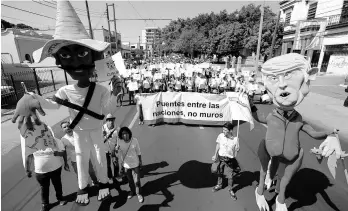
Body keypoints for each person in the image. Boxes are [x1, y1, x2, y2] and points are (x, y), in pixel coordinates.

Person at [11, 0, 123, 205]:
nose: (76, 62)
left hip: (97, 129)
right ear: (60, 61)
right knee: (81, 157)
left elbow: (107, 110)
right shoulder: (64, 90)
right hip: (79, 131)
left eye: (82, 54)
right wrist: (32, 98)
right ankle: (83, 187)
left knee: (99, 156)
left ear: (94, 58)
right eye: (66, 55)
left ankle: (104, 183)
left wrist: (115, 93)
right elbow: (53, 107)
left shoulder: (100, 89)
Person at [20, 118, 68, 211]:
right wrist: (27, 170)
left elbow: (63, 152)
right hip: (40, 172)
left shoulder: (55, 140)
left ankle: (60, 198)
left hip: (56, 168)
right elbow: (29, 156)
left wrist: (58, 153)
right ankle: (45, 204)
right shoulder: (31, 142)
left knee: (57, 184)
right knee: (44, 188)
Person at [60, 121, 98, 185]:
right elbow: (64, 152)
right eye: (64, 127)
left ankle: (95, 181)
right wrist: (65, 163)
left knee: (91, 171)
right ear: (62, 129)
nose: (67, 128)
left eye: (68, 125)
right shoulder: (63, 139)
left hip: (85, 157)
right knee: (80, 175)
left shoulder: (78, 133)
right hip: (75, 161)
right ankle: (85, 186)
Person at [211, 122, 240, 200]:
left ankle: (230, 190)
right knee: (219, 172)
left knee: (230, 177)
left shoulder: (235, 139)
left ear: (230, 130)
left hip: (230, 161)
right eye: (223, 129)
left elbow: (236, 151)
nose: (223, 131)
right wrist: (215, 155)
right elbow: (218, 145)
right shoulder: (221, 136)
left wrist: (237, 149)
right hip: (221, 158)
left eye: (225, 130)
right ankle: (219, 185)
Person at [115, 127, 144, 203]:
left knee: (137, 181)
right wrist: (116, 149)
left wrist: (140, 161)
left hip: (135, 164)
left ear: (129, 133)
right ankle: (132, 191)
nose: (125, 135)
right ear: (121, 135)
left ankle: (138, 194)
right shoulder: (120, 143)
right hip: (126, 166)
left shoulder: (134, 140)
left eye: (126, 133)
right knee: (130, 180)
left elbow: (138, 152)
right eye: (123, 134)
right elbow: (117, 154)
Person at [102, 114, 120, 184]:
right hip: (105, 150)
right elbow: (99, 139)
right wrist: (102, 135)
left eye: (112, 120)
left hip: (113, 149)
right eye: (109, 120)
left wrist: (117, 146)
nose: (111, 122)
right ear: (106, 121)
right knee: (108, 165)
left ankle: (116, 175)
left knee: (116, 163)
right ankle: (110, 177)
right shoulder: (102, 128)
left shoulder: (117, 128)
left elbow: (119, 138)